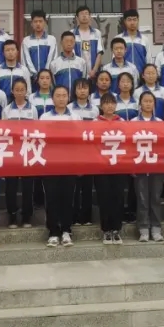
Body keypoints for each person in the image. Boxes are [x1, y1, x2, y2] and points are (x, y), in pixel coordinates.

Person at [41, 85, 78, 247]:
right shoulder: (45, 117)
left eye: (64, 95)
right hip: (51, 163)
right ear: (52, 98)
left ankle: (66, 230)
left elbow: (79, 140)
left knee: (67, 197)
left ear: (68, 97)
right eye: (58, 95)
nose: (61, 98)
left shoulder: (75, 117)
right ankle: (53, 231)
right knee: (52, 197)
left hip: (69, 163)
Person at [2, 77, 38, 228]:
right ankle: (12, 216)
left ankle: (26, 216)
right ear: (12, 91)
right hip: (11, 151)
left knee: (27, 185)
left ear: (26, 91)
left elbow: (36, 130)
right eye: (16, 90)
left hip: (28, 150)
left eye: (22, 90)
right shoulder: (7, 110)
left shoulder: (32, 109)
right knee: (11, 186)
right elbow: (3, 132)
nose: (19, 92)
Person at [133, 91, 164, 242]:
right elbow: (130, 146)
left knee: (156, 198)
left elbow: (163, 145)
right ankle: (143, 229)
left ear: (154, 104)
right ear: (140, 104)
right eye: (145, 101)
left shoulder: (160, 122)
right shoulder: (133, 122)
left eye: (150, 101)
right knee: (142, 199)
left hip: (156, 166)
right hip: (139, 166)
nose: (148, 104)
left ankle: (156, 229)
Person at [95, 94, 126, 244]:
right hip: (101, 166)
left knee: (118, 197)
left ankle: (116, 229)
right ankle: (106, 230)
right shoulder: (95, 122)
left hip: (119, 165)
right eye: (106, 103)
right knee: (104, 198)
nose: (109, 106)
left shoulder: (122, 122)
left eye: (112, 103)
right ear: (101, 106)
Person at [69, 78, 97, 226]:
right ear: (74, 91)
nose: (82, 91)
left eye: (85, 88)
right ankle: (74, 216)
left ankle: (87, 217)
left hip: (89, 151)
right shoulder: (69, 108)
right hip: (73, 152)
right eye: (79, 88)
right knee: (74, 186)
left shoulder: (95, 110)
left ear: (89, 90)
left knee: (87, 186)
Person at [22, 10, 58, 76]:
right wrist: (35, 75)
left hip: (47, 77)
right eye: (35, 21)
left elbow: (52, 59)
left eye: (40, 21)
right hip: (32, 78)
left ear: (45, 22)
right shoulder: (26, 40)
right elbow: (26, 60)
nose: (38, 24)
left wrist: (44, 75)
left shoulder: (52, 39)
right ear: (31, 23)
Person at [73, 5, 104, 75]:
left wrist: (94, 70)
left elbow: (99, 53)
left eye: (86, 13)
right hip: (77, 71)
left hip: (93, 72)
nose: (84, 16)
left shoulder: (97, 33)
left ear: (90, 17)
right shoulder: (72, 33)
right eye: (81, 14)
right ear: (77, 18)